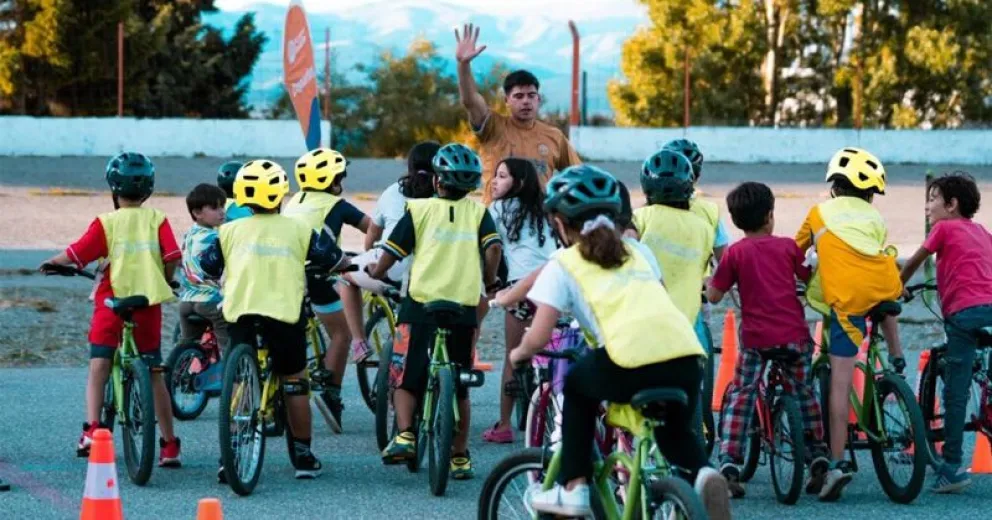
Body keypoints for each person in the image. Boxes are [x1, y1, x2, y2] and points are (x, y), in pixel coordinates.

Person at [509, 165, 730, 520]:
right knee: (675, 434)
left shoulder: (563, 262)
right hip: (686, 355)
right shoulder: (637, 252)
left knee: (578, 388)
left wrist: (519, 355)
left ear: (560, 223)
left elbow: (537, 336)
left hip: (631, 359)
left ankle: (575, 487)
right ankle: (703, 474)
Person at [199, 159, 348, 480]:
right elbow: (333, 258)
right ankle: (303, 455)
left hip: (240, 314)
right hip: (284, 314)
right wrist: (345, 264)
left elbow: (207, 266)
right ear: (281, 193)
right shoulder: (299, 229)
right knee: (295, 380)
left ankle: (231, 453)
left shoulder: (228, 230)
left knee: (240, 379)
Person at [368, 143, 502, 481]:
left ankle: (405, 435)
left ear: (438, 182)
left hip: (421, 305)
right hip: (464, 307)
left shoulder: (418, 210)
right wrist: (488, 279)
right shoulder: (478, 213)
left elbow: (392, 252)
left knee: (403, 375)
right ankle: (459, 457)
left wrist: (378, 272)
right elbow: (494, 249)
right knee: (459, 385)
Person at [40, 152, 182, 467]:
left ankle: (92, 430)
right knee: (154, 371)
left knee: (99, 364)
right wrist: (165, 278)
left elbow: (77, 254)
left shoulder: (107, 222)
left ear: (113, 188)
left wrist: (52, 262)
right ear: (148, 189)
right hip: (147, 304)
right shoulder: (157, 219)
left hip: (112, 303)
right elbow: (172, 256)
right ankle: (170, 445)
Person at [795, 147, 905, 501]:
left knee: (840, 386)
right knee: (886, 299)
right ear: (871, 192)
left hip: (845, 304)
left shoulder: (819, 211)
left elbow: (794, 253)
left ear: (834, 186)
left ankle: (838, 465)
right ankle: (896, 357)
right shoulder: (875, 218)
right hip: (882, 289)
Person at [707, 182, 826, 498]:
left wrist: (708, 283)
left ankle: (730, 463)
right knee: (804, 392)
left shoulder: (735, 253)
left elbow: (716, 296)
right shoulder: (788, 246)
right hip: (795, 336)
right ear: (770, 215)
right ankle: (819, 457)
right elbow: (806, 275)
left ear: (735, 220)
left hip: (757, 339)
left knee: (742, 393)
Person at [900, 172, 992, 493]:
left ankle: (952, 467)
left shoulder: (943, 228)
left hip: (963, 314)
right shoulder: (983, 231)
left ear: (951, 205)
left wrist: (896, 285)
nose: (928, 206)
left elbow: (914, 263)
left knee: (956, 389)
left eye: (933, 199)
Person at [283, 147, 371, 434]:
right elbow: (371, 227)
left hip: (288, 272)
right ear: (332, 181)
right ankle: (330, 393)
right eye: (340, 178)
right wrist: (373, 250)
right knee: (342, 333)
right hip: (317, 272)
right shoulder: (339, 205)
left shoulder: (294, 200)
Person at [454, 23, 581, 204]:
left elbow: (578, 174)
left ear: (539, 99)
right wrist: (463, 65)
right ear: (507, 100)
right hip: (496, 219)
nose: (526, 101)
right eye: (518, 96)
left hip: (536, 221)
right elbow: (470, 100)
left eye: (531, 95)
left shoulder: (554, 137)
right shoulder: (492, 126)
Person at [481, 157, 559, 444]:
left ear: (520, 182)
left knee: (513, 357)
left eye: (502, 176)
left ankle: (503, 425)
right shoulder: (548, 210)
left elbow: (493, 249)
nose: (495, 181)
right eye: (495, 175)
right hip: (553, 285)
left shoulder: (498, 209)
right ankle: (555, 416)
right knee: (553, 353)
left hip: (521, 288)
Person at [176, 183, 231, 352]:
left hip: (186, 300)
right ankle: (232, 375)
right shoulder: (216, 237)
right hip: (210, 301)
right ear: (197, 213)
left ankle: (179, 371)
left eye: (222, 206)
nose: (222, 211)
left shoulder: (189, 234)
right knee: (228, 344)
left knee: (187, 345)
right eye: (215, 208)